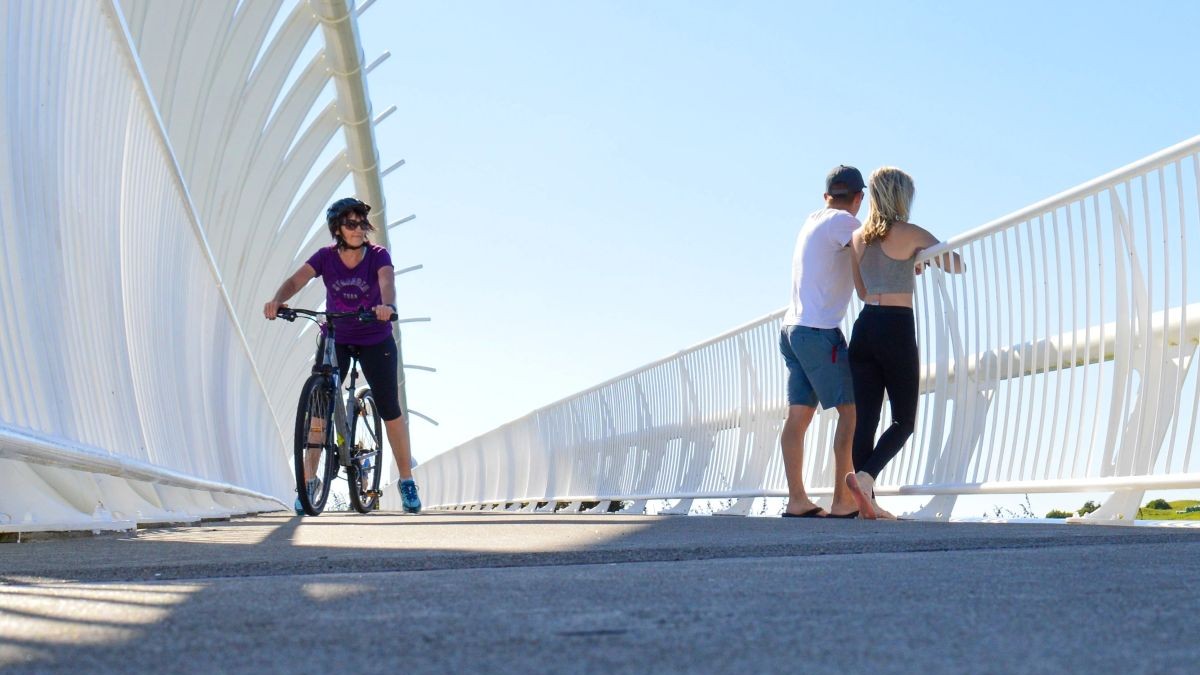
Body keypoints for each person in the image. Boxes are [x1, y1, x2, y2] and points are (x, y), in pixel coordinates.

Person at [263, 197, 422, 515]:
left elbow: (387, 283)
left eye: (363, 223)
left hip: (374, 336)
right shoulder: (325, 257)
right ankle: (309, 483)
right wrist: (277, 300)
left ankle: (406, 481)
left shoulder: (377, 255)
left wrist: (386, 307)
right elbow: (297, 280)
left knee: (390, 408)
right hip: (336, 333)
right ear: (338, 228)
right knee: (318, 409)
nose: (359, 228)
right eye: (351, 223)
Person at [844, 167, 964, 519]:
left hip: (864, 326)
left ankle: (867, 501)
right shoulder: (910, 232)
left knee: (866, 419)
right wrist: (919, 258)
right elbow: (958, 265)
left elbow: (863, 291)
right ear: (901, 197)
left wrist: (904, 266)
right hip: (895, 328)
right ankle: (865, 478)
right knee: (904, 420)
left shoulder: (858, 239)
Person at [777, 165, 865, 518]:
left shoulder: (814, 218)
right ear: (859, 198)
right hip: (818, 332)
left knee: (798, 417)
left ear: (827, 196)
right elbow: (872, 249)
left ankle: (797, 499)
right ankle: (843, 501)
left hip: (792, 330)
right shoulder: (845, 223)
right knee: (849, 413)